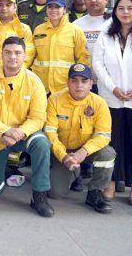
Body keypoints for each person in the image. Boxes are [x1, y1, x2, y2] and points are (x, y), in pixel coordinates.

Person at [0, 36, 54, 217]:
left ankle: (39, 196)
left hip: (23, 135)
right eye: (8, 52)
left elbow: (38, 117)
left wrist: (19, 132)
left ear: (25, 56)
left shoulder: (34, 81)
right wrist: (4, 130)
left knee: (42, 143)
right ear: (1, 55)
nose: (12, 57)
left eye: (17, 53)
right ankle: (5, 169)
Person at [92, 0, 132, 206]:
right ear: (115, 11)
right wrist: (113, 88)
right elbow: (97, 64)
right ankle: (111, 181)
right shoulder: (106, 35)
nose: (125, 12)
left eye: (130, 8)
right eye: (121, 8)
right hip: (111, 97)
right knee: (113, 141)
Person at [45, 64, 115, 214]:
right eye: (74, 80)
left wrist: (83, 151)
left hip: (87, 151)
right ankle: (74, 172)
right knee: (55, 193)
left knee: (107, 154)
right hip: (63, 151)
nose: (79, 85)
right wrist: (63, 156)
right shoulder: (55, 100)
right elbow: (50, 133)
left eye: (84, 81)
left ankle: (95, 192)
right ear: (67, 82)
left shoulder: (99, 103)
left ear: (91, 84)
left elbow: (103, 136)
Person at [31, 0, 90, 95]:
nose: (53, 10)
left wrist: (78, 82)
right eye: (50, 6)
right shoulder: (38, 30)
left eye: (57, 7)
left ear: (64, 9)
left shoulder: (75, 30)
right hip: (41, 86)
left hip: (65, 86)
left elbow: (84, 57)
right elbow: (32, 54)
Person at [72, 0, 110, 84]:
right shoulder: (76, 25)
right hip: (84, 82)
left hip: (110, 83)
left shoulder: (115, 22)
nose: (93, 0)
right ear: (84, 0)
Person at [0, 0, 35, 69]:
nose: (4, 8)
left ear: (15, 7)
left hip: (15, 73)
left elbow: (29, 54)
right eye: (0, 5)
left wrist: (14, 70)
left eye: (8, 5)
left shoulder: (24, 29)